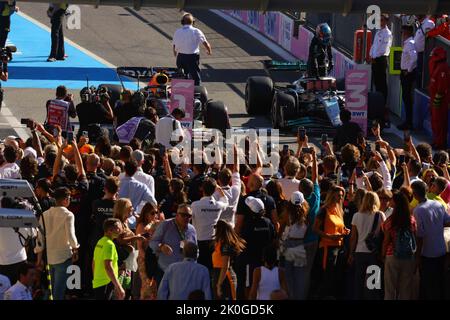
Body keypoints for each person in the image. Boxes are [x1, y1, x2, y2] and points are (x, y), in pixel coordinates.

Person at [35, 187, 80, 300]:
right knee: (59, 291)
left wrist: (39, 259)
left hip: (49, 257)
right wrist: (75, 248)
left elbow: (40, 239)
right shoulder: (68, 215)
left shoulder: (44, 214)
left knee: (50, 289)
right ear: (65, 199)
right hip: (63, 257)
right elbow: (71, 236)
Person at [412, 180, 450, 299]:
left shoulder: (418, 210)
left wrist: (417, 257)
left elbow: (420, 236)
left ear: (414, 194)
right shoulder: (437, 204)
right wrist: (436, 227)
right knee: (440, 283)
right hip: (441, 250)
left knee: (429, 286)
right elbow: (448, 221)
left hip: (428, 254)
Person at [235, 196, 276, 300]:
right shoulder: (268, 222)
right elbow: (273, 239)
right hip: (265, 262)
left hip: (251, 261)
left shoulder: (248, 225)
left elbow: (243, 241)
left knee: (249, 285)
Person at [313, 185, 350, 299]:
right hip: (327, 248)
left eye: (342, 195)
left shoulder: (339, 211)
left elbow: (339, 227)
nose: (341, 197)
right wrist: (329, 236)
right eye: (339, 195)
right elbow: (315, 228)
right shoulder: (324, 210)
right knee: (327, 276)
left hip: (338, 247)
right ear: (332, 195)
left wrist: (345, 231)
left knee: (335, 276)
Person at [348, 191, 385, 300]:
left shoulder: (356, 216)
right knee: (373, 284)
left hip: (359, 252)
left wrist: (351, 253)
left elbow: (353, 237)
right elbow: (384, 233)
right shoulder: (380, 215)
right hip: (374, 253)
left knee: (358, 282)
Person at [149, 204, 197, 284]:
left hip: (184, 273)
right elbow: (152, 242)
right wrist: (161, 246)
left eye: (189, 216)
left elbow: (196, 250)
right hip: (165, 271)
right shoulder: (165, 225)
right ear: (177, 215)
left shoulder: (192, 229)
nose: (186, 218)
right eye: (183, 215)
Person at [382, 191, 417, 300]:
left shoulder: (391, 220)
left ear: (395, 203)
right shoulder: (411, 219)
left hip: (392, 254)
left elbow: (386, 240)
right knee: (405, 288)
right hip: (408, 256)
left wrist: (382, 255)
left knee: (390, 288)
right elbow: (415, 237)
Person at [191, 178, 229, 270]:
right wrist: (220, 190)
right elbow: (226, 202)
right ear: (214, 189)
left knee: (200, 268)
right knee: (212, 268)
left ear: (202, 189)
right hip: (213, 242)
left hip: (199, 241)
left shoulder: (195, 205)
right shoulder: (219, 205)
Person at [279, 191, 310, 299]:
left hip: (289, 244)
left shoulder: (287, 214)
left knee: (288, 276)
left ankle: (290, 297)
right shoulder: (307, 213)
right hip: (300, 245)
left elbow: (281, 228)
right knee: (299, 275)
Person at [172, 13, 212, 85]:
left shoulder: (177, 31)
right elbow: (205, 43)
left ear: (182, 22)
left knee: (183, 75)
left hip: (181, 57)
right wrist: (209, 50)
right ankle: (197, 92)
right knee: (195, 76)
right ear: (193, 22)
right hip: (192, 57)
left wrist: (175, 53)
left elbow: (174, 45)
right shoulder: (196, 31)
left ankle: (184, 91)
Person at [212, 220, 246, 300]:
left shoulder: (225, 245)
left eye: (216, 228)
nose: (215, 230)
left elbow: (225, 266)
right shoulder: (219, 243)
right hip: (218, 275)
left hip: (225, 277)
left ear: (220, 229)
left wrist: (219, 285)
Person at [92, 218, 125, 300]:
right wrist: (119, 286)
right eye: (118, 228)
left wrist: (96, 278)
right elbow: (108, 267)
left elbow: (93, 262)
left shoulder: (100, 241)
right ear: (110, 230)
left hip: (98, 282)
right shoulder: (109, 245)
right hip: (106, 283)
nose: (121, 230)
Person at [369, 14, 392, 127]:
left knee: (382, 86)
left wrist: (375, 57)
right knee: (376, 85)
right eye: (379, 20)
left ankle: (382, 113)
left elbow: (383, 49)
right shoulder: (378, 32)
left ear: (386, 21)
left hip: (381, 60)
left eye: (382, 20)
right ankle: (377, 110)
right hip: (375, 60)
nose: (380, 22)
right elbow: (374, 46)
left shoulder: (387, 34)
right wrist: (370, 55)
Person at [428, 46, 450, 150]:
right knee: (435, 122)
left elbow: (442, 86)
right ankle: (436, 141)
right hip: (434, 99)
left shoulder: (443, 67)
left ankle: (440, 143)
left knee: (440, 122)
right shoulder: (438, 66)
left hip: (440, 101)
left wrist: (437, 100)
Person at [397, 25, 417, 131]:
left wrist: (408, 70)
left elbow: (414, 58)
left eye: (402, 32)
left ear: (407, 32)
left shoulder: (410, 43)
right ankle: (407, 121)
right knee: (406, 98)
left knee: (407, 98)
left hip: (407, 74)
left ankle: (408, 122)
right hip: (405, 73)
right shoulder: (408, 43)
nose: (402, 35)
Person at [414, 15, 435, 88]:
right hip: (418, 54)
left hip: (424, 54)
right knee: (418, 75)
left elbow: (429, 36)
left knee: (421, 75)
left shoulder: (429, 23)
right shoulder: (421, 23)